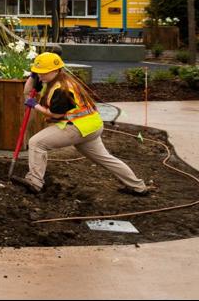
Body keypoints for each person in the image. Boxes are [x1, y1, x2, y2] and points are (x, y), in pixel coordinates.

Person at [14, 52, 153, 196]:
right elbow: (27, 91)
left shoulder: (62, 89)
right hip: (91, 126)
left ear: (56, 70)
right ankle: (138, 187)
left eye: (43, 73)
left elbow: (56, 114)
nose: (41, 76)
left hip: (77, 127)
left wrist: (35, 105)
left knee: (37, 143)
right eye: (38, 72)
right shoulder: (51, 81)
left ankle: (35, 182)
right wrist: (32, 75)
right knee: (106, 159)